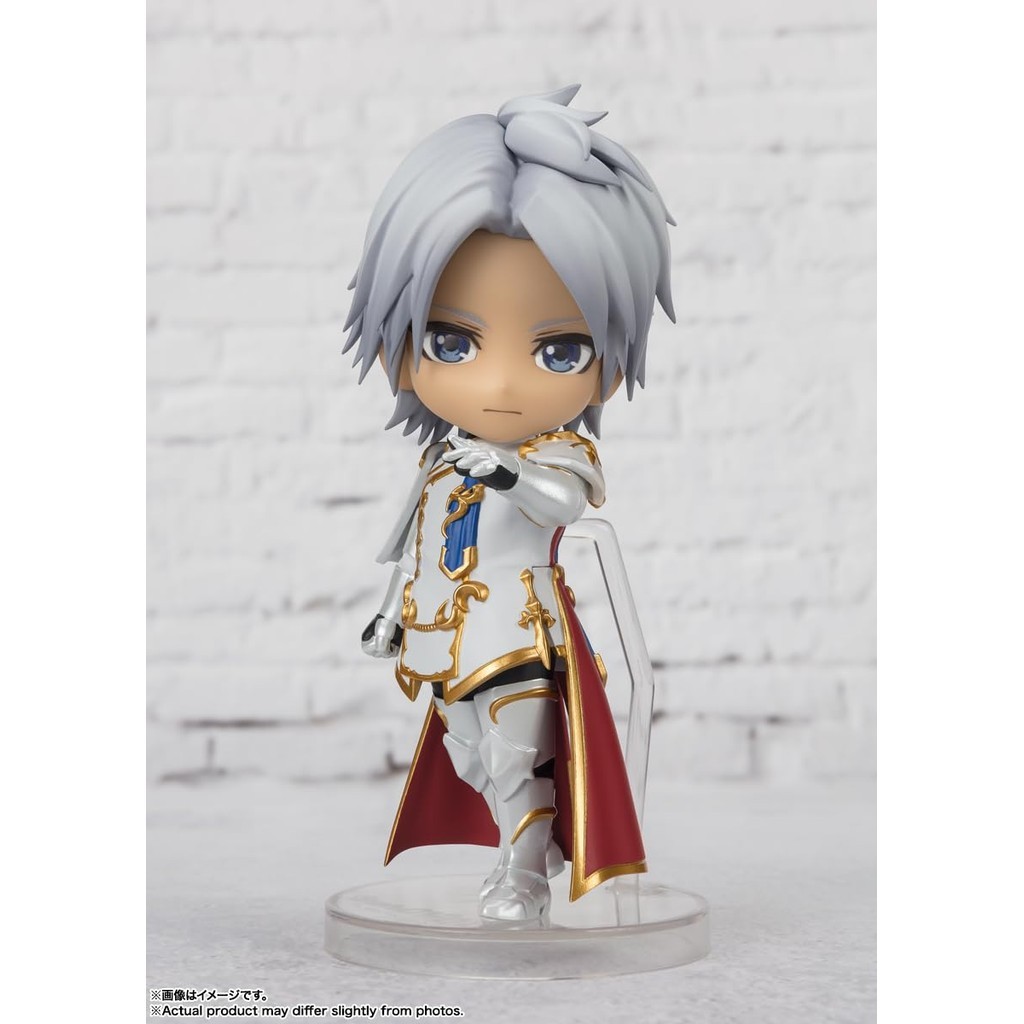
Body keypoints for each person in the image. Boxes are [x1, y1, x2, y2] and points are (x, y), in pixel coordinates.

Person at [344, 85, 675, 922]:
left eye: (559, 349)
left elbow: (562, 503)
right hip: (441, 629)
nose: (498, 383)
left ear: (606, 364)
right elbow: (414, 542)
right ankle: (531, 835)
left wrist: (507, 475)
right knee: (469, 754)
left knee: (515, 753)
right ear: (400, 349)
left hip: (520, 630)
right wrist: (387, 613)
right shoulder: (442, 458)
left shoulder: (554, 451)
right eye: (451, 341)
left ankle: (522, 869)